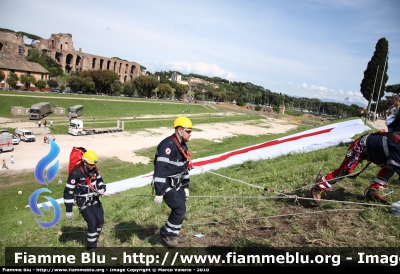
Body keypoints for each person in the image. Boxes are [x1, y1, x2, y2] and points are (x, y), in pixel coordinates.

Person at [310, 127, 400, 206]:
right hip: (360, 147)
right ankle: (318, 188)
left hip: (376, 152)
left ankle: (373, 191)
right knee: (345, 170)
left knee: (390, 167)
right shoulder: (397, 145)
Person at [153, 116, 193, 247]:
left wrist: (186, 186)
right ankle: (166, 234)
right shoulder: (167, 145)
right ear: (180, 130)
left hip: (177, 183)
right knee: (179, 208)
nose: (190, 134)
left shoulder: (182, 146)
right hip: (166, 184)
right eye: (189, 131)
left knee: (182, 207)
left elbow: (184, 167)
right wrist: (159, 191)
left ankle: (172, 234)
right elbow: (160, 170)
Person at [63, 150, 106, 250]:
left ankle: (95, 239)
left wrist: (102, 188)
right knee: (92, 223)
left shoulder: (95, 170)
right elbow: (68, 191)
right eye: (91, 164)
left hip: (95, 199)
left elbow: (100, 181)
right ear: (85, 162)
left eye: (94, 164)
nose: (93, 166)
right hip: (83, 202)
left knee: (100, 220)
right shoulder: (75, 173)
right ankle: (92, 248)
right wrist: (69, 209)